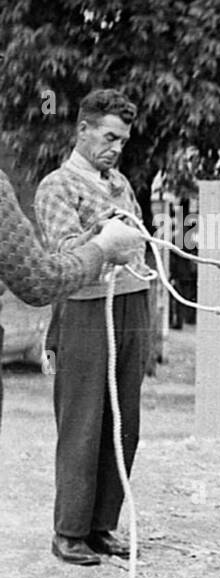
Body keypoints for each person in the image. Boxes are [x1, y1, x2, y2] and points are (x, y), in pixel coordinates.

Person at [34, 89, 152, 566]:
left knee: (124, 422)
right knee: (83, 421)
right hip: (84, 311)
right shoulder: (57, 186)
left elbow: (140, 238)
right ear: (82, 130)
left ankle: (102, 524)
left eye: (122, 140)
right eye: (108, 137)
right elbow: (63, 252)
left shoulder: (121, 182)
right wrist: (105, 233)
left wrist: (127, 231)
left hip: (131, 303)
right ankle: (70, 532)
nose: (115, 147)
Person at [0, 170, 141, 430]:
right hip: (67, 301)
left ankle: (50, 371)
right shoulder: (54, 188)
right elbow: (41, 280)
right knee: (54, 348)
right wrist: (102, 247)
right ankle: (51, 372)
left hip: (71, 288)